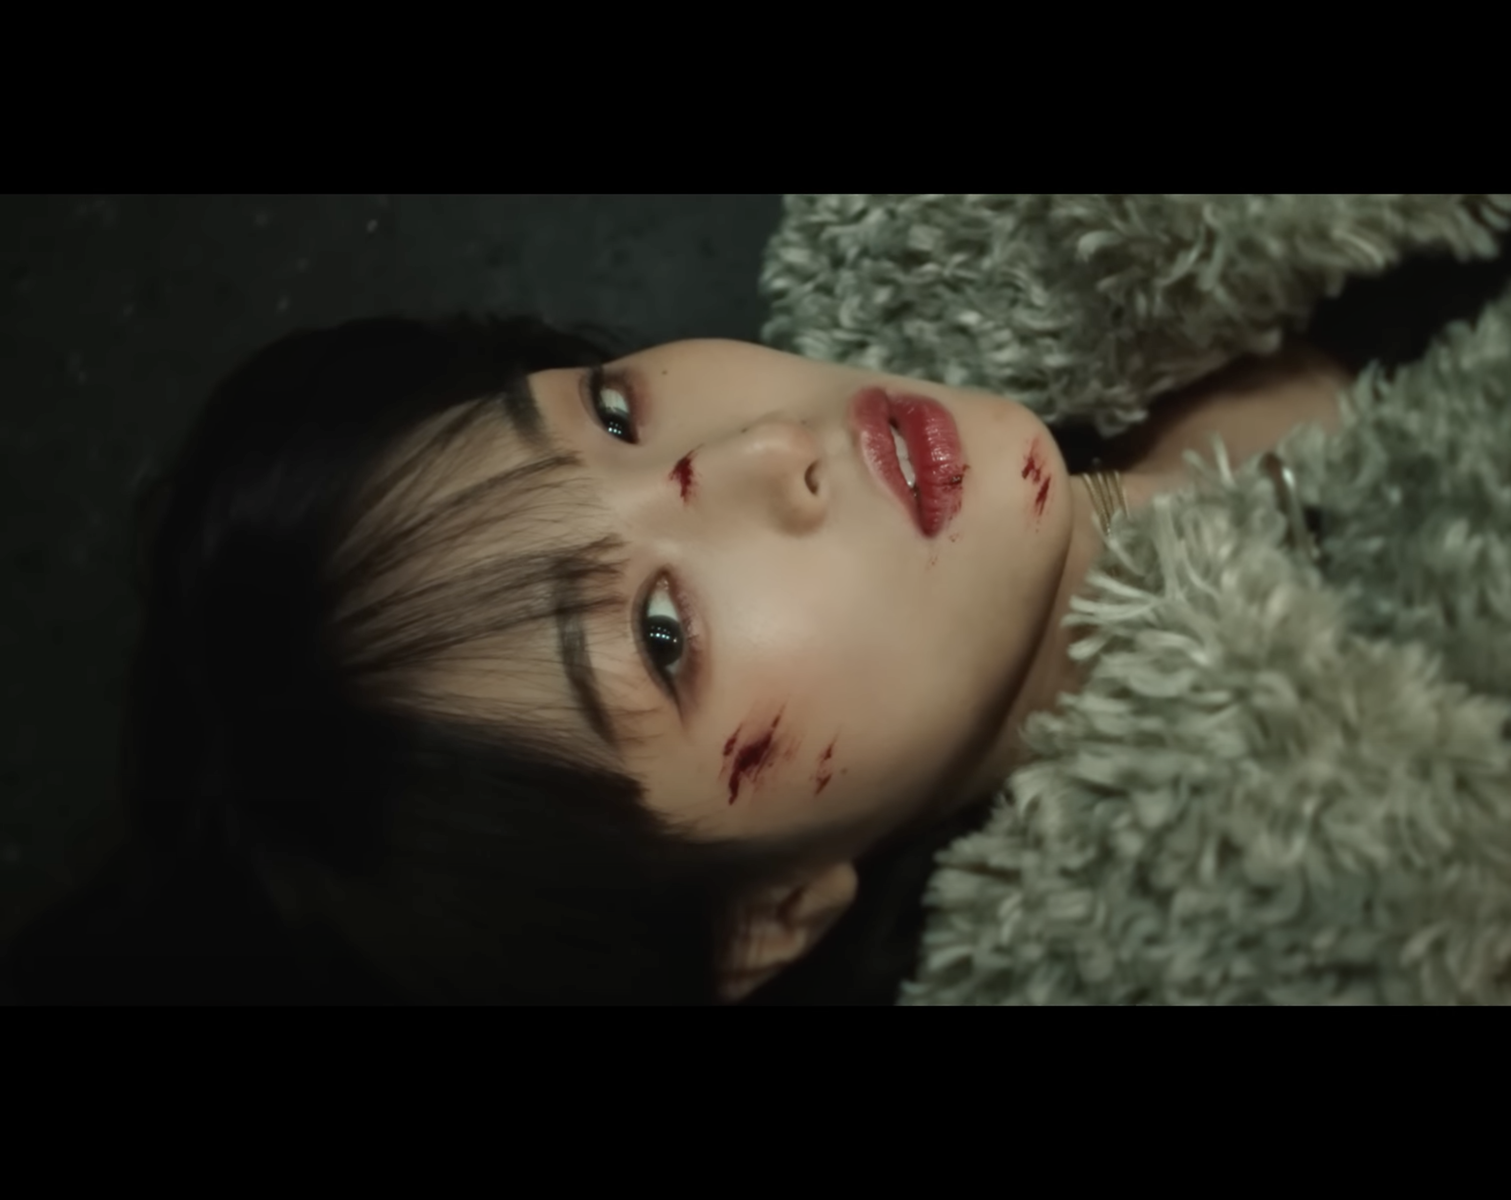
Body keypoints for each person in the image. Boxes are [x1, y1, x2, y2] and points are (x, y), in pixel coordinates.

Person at [2, 315, 1352, 1006]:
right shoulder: (1353, 887)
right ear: (762, 923)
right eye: (662, 639)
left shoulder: (1074, 263)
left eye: (608, 412)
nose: (770, 450)